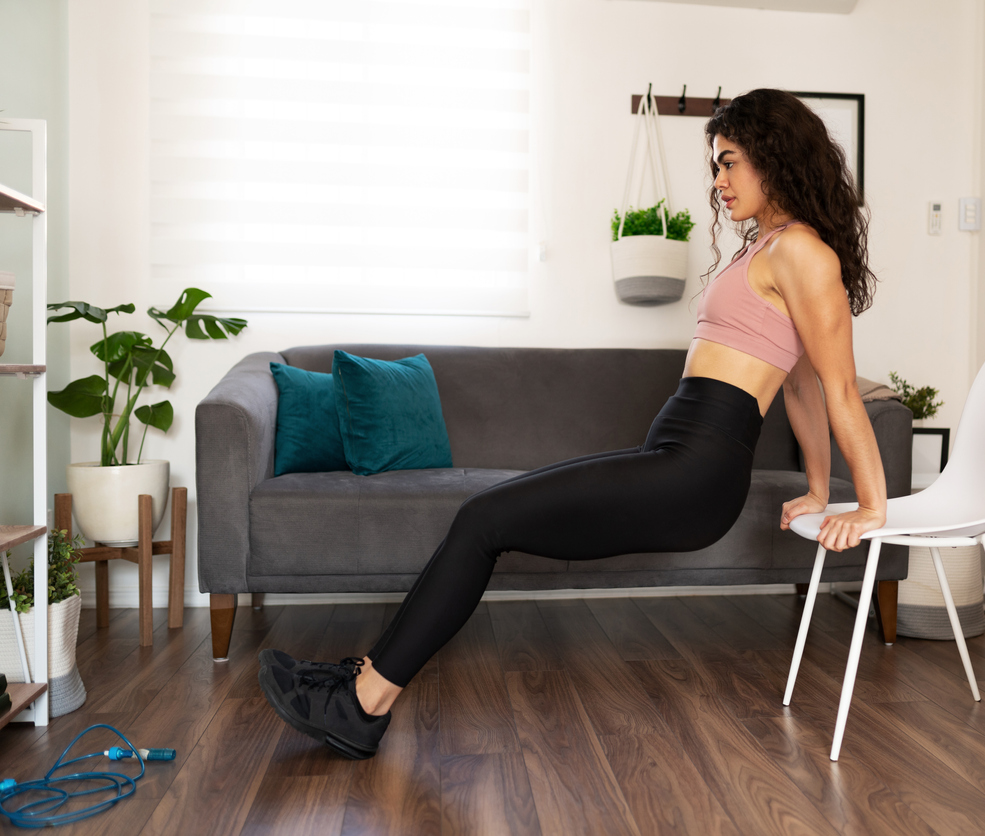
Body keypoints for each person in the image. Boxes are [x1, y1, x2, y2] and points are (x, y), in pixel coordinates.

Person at [257, 88, 887, 760]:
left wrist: (870, 504)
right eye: (714, 165)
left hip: (696, 473)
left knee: (482, 523)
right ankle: (362, 679)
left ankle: (362, 704)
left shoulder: (803, 255)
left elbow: (834, 388)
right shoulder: (763, 247)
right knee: (483, 514)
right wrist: (816, 491)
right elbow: (796, 387)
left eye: (729, 162)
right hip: (675, 457)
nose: (719, 181)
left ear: (772, 155)